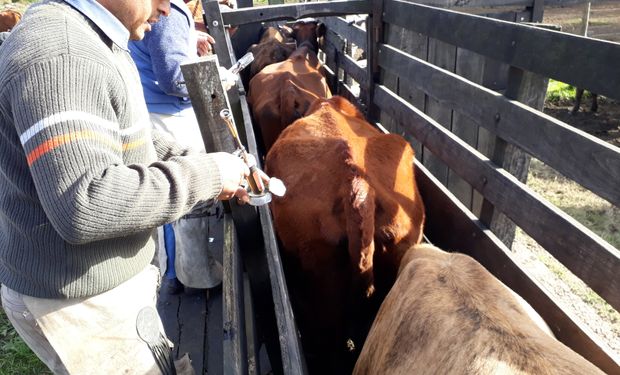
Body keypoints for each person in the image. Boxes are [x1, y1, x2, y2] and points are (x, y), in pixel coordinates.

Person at [0, 0, 252, 373]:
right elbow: (84, 202)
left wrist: (197, 159)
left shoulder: (94, 39)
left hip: (96, 287)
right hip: (79, 302)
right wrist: (209, 176)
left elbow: (123, 135)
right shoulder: (63, 54)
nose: (167, 10)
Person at [129, 0, 222, 295]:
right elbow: (172, 79)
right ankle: (195, 276)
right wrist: (213, 81)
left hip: (152, 108)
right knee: (190, 193)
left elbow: (156, 47)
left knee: (167, 190)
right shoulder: (168, 11)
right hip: (170, 115)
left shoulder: (163, 12)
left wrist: (189, 38)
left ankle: (170, 270)